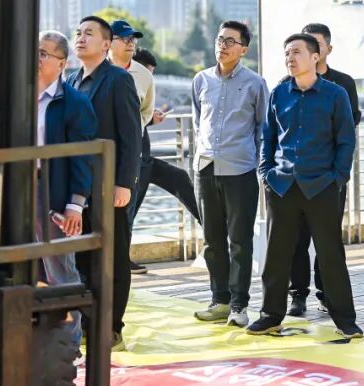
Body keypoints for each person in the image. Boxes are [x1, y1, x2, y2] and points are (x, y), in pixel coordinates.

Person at [248, 33, 362, 339]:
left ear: (315, 56)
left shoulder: (335, 94)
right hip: (282, 185)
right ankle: (270, 315)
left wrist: (338, 178)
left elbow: (346, 140)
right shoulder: (278, 93)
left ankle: (345, 320)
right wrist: (266, 173)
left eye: (297, 52)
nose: (290, 58)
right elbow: (268, 138)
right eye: (287, 53)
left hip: (322, 185)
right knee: (277, 255)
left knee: (331, 255)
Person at [66, 15, 142, 350]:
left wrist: (124, 183)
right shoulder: (71, 80)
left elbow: (131, 135)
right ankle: (87, 323)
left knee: (113, 258)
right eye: (78, 33)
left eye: (89, 33)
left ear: (106, 44)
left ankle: (112, 327)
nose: (81, 38)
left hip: (109, 184)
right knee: (82, 258)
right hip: (78, 188)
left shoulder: (117, 80)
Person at [192, 22, 268, 328]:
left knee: (240, 241)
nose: (222, 45)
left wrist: (257, 163)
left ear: (243, 49)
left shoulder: (255, 83)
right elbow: (199, 122)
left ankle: (239, 306)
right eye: (220, 39)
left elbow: (262, 128)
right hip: (205, 168)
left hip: (240, 170)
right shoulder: (201, 80)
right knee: (212, 241)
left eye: (230, 41)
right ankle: (219, 300)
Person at [288, 22, 362, 317]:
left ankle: (327, 293)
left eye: (316, 44)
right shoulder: (286, 83)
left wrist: (339, 176)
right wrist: (270, 173)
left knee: (327, 239)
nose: (311, 50)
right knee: (296, 239)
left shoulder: (343, 85)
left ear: (327, 49)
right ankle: (297, 294)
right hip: (294, 179)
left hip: (328, 178)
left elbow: (348, 130)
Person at [33, 31, 97, 345]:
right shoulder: (17, 95)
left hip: (53, 194)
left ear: (61, 63)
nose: (37, 58)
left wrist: (75, 205)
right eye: (35, 51)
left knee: (60, 269)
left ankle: (70, 343)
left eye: (43, 53)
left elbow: (82, 158)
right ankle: (38, 340)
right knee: (30, 269)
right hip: (18, 191)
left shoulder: (74, 103)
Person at [130, 47, 201, 227]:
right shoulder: (123, 86)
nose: (150, 80)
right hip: (132, 165)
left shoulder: (140, 90)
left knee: (180, 178)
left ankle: (213, 231)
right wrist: (149, 120)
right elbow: (124, 123)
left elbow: (136, 119)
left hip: (145, 161)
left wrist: (149, 118)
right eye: (148, 74)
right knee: (127, 216)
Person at [107, 19, 156, 273]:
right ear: (109, 42)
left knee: (126, 210)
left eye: (133, 39)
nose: (131, 43)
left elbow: (146, 111)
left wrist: (131, 130)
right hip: (101, 153)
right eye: (124, 38)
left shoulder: (144, 75)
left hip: (130, 154)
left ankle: (121, 262)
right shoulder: (97, 71)